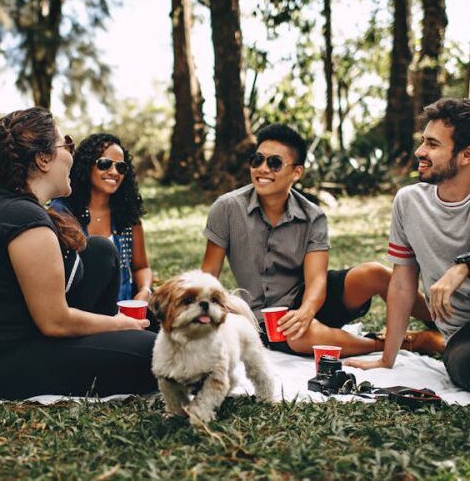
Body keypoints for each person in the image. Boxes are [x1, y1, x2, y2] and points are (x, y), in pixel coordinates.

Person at [201, 123, 444, 357]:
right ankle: (404, 343)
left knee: (375, 273)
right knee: (301, 335)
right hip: (264, 319)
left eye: (274, 163)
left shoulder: (312, 216)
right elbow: (208, 275)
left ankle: (444, 324)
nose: (262, 169)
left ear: (296, 172)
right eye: (257, 160)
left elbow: (317, 280)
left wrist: (306, 311)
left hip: (309, 298)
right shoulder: (227, 209)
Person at [0, 108, 157, 400]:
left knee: (101, 251)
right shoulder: (24, 220)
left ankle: (113, 341)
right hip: (7, 361)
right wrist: (118, 324)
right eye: (67, 145)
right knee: (155, 352)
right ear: (43, 159)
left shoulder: (12, 205)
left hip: (32, 334)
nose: (72, 157)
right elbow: (55, 322)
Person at [346, 98, 470, 390]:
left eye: (433, 144)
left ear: (466, 155)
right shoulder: (409, 202)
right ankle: (432, 341)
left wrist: (462, 267)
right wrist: (386, 359)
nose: (420, 151)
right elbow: (402, 284)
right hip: (463, 336)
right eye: (423, 141)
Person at [52, 133, 152, 303]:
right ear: (86, 166)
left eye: (121, 167)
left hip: (125, 313)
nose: (114, 172)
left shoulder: (127, 215)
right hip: (80, 314)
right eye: (105, 164)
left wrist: (145, 291)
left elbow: (141, 267)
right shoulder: (62, 213)